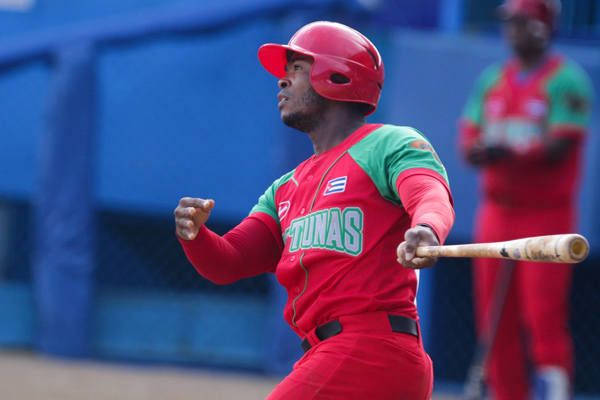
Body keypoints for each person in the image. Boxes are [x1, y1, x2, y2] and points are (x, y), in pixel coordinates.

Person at [175, 21, 454, 400]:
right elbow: (230, 262)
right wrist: (196, 236)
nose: (282, 81)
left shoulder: (386, 143)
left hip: (369, 350)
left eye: (297, 69)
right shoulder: (286, 187)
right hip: (334, 356)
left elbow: (429, 193)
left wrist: (427, 228)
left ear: (337, 75)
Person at [458, 1, 593, 399]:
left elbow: (560, 146)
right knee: (494, 322)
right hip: (497, 209)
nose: (510, 30)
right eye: (509, 22)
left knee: (543, 316)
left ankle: (555, 393)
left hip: (546, 214)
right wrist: (484, 148)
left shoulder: (567, 79)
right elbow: (468, 142)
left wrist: (510, 150)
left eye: (520, 22)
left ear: (541, 27)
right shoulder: (493, 80)